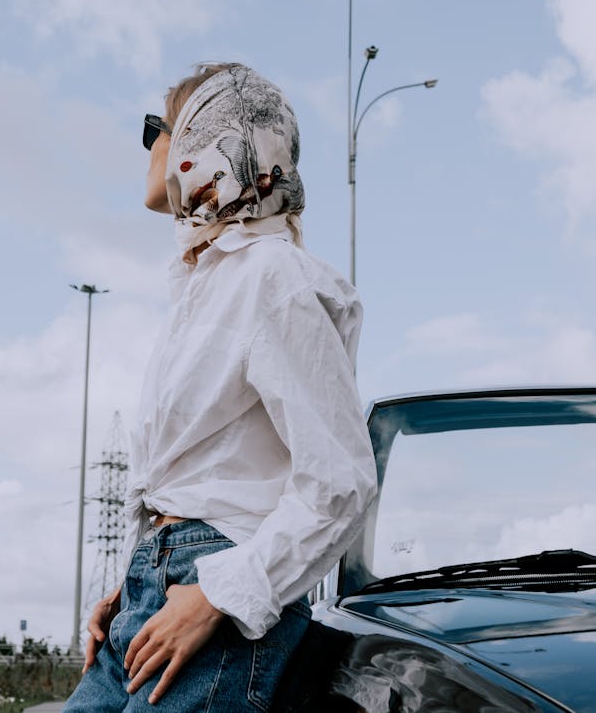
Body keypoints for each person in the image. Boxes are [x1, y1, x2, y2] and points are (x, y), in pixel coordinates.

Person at [63, 63, 377, 711]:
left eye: (159, 127)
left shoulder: (274, 278)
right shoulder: (203, 284)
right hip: (157, 586)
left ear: (208, 141)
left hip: (221, 601)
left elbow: (340, 480)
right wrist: (135, 579)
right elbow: (203, 470)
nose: (150, 145)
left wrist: (214, 594)